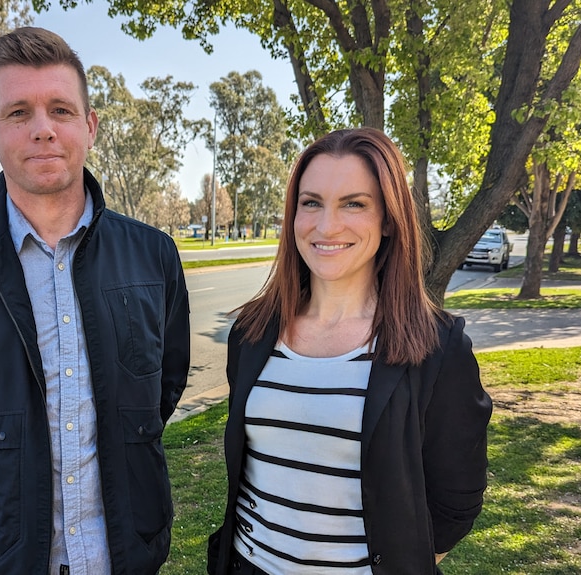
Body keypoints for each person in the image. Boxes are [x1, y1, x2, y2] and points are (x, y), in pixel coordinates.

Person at [0, 26, 190, 575]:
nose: (43, 130)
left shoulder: (153, 256)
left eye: (60, 109)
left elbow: (163, 389)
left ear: (90, 125)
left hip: (126, 557)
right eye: (18, 113)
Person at [207, 128, 491, 575]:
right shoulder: (253, 331)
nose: (326, 226)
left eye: (353, 204)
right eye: (311, 202)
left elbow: (456, 502)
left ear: (389, 219)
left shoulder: (437, 348)